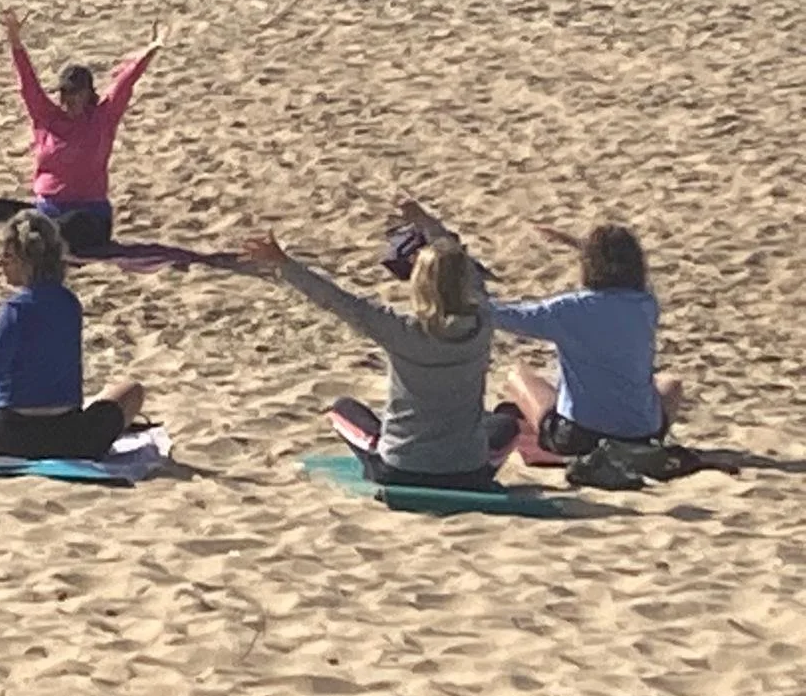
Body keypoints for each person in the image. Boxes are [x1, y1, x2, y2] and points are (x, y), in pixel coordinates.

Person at [242, 200, 517, 490]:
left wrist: (285, 265)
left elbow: (338, 301)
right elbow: (461, 267)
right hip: (469, 471)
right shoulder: (483, 322)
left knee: (342, 409)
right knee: (506, 424)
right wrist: (428, 223)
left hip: (400, 469)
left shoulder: (400, 330)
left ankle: (378, 445)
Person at [0, 210, 145, 460]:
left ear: (28, 261)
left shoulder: (14, 311)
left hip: (9, 438)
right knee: (130, 391)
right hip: (67, 438)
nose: (0, 263)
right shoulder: (69, 304)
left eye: (8, 257)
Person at [0, 8, 164, 256]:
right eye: (65, 93)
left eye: (76, 93)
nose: (69, 99)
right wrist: (15, 40)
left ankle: (24, 240)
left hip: (89, 213)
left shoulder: (102, 118)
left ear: (88, 94)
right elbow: (27, 83)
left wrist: (151, 50)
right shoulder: (46, 116)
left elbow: (125, 83)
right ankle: (29, 237)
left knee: (72, 226)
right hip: (47, 210)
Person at [491, 223, 683, 456]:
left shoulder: (570, 309)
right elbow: (633, 272)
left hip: (578, 437)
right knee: (671, 384)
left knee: (518, 375)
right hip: (641, 435)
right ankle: (652, 444)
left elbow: (508, 316)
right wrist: (576, 244)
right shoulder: (646, 304)